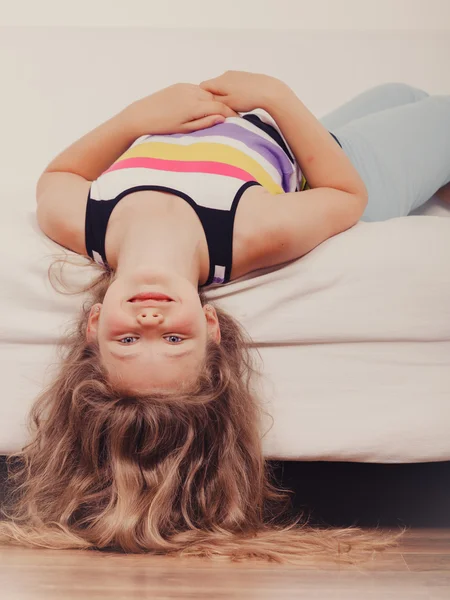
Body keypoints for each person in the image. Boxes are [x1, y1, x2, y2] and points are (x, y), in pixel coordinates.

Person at [2, 71, 448, 564]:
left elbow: (57, 177)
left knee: (399, 96)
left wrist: (135, 120)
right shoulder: (246, 233)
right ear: (211, 328)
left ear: (95, 324)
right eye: (175, 339)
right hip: (332, 158)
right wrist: (279, 97)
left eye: (127, 341)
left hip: (265, 137)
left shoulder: (84, 220)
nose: (150, 319)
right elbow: (347, 194)